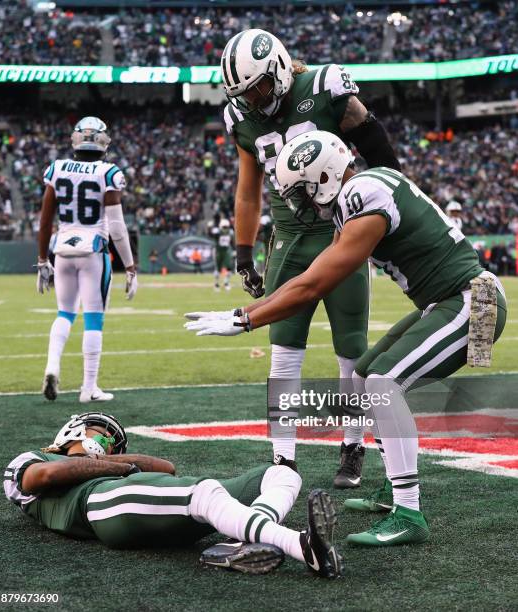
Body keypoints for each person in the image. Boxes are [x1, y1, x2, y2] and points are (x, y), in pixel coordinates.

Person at [185, 130, 507, 547]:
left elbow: (313, 286)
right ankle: (395, 489)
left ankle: (409, 511)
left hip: (476, 302)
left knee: (382, 383)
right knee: (362, 375)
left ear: (325, 177)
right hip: (449, 302)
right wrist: (248, 311)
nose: (299, 203)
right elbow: (308, 275)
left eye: (301, 191)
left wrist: (246, 319)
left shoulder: (363, 195)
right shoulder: (362, 190)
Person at [221, 29, 401, 488]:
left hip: (342, 232)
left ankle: (353, 444)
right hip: (288, 240)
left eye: (258, 87)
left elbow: (376, 145)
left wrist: (388, 204)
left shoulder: (324, 86)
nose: (254, 99)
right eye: (244, 93)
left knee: (350, 352)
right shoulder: (242, 116)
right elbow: (248, 191)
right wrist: (244, 253)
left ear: (278, 69)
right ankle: (283, 460)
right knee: (283, 352)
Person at [3, 412, 342, 578]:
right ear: (70, 431)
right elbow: (42, 477)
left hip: (141, 501)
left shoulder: (110, 464)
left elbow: (165, 468)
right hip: (98, 506)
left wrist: (110, 460)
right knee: (206, 491)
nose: (107, 442)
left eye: (114, 442)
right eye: (101, 432)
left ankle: (237, 544)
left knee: (281, 474)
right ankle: (300, 544)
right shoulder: (37, 458)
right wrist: (114, 464)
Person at [37, 117, 138, 403]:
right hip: (93, 248)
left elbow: (45, 221)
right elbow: (117, 228)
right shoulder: (109, 172)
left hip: (63, 248)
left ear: (76, 140)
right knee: (93, 317)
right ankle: (88, 388)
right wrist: (130, 266)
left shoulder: (57, 168)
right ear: (104, 142)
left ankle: (52, 366)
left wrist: (43, 258)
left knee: (64, 313)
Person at [210, 218, 234, 291]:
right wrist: (210, 228)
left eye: (226, 227)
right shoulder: (217, 232)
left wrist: (234, 250)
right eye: (224, 227)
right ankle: (216, 284)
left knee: (229, 268)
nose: (225, 229)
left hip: (226, 251)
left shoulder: (230, 232)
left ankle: (226, 283)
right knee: (218, 269)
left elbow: (232, 241)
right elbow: (212, 233)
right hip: (218, 251)